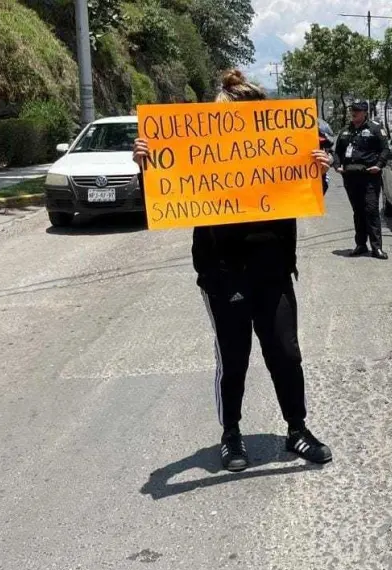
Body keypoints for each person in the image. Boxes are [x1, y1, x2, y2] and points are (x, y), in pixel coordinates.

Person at [132, 70, 334, 472]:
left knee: (286, 354)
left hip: (273, 270)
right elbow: (164, 192)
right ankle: (231, 434)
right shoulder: (200, 149)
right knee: (234, 358)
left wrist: (318, 171)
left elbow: (306, 196)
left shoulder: (281, 147)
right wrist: (146, 167)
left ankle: (297, 430)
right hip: (223, 273)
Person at [334, 101, 390, 260]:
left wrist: (379, 165)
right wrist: (337, 166)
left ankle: (377, 247)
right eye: (352, 110)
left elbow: (385, 149)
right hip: (351, 177)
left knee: (371, 210)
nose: (354, 113)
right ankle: (360, 244)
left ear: (365, 112)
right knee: (358, 211)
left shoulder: (375, 128)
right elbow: (338, 151)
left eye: (358, 111)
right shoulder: (346, 131)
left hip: (369, 176)